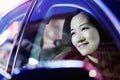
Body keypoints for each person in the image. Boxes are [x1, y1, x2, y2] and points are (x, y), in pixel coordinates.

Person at [59, 11, 120, 80]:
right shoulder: (72, 67)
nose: (79, 39)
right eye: (73, 33)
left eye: (84, 28)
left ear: (100, 29)